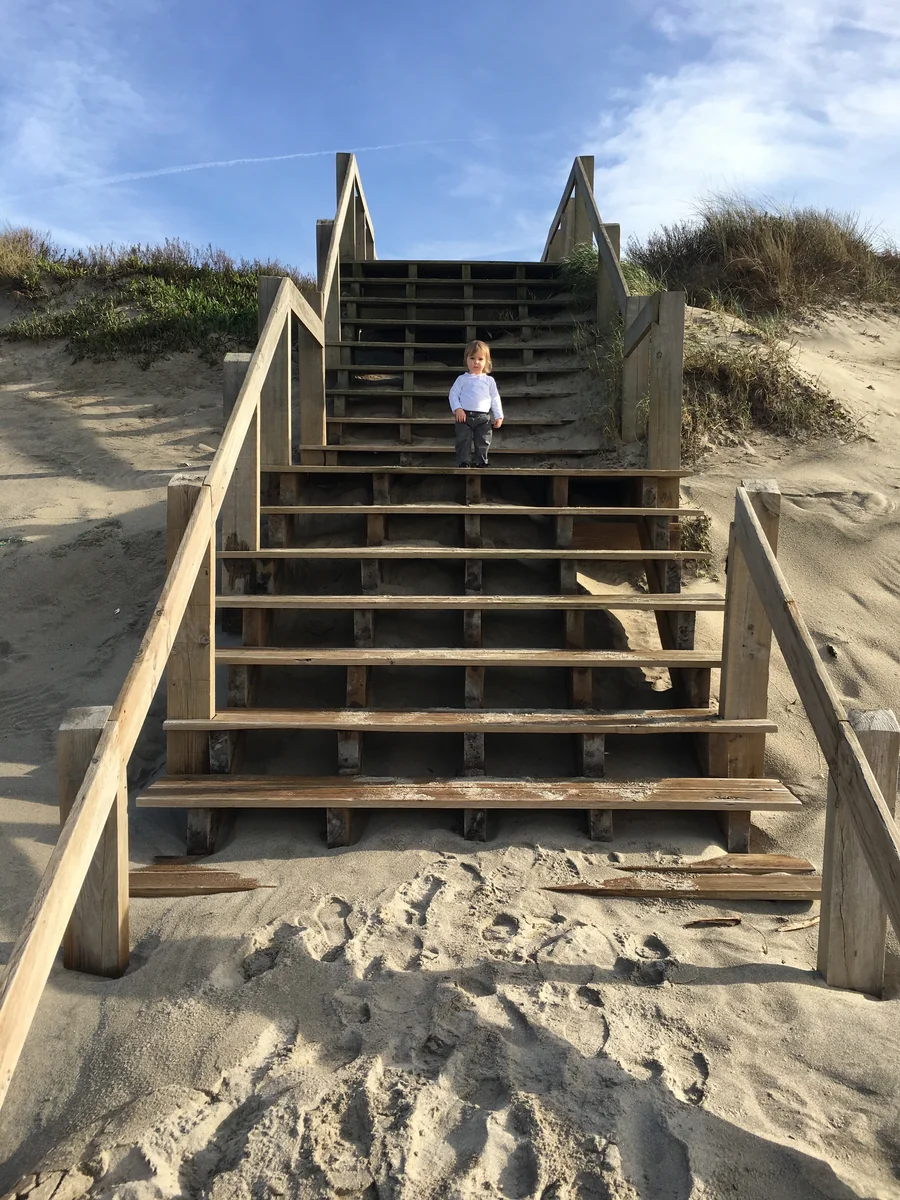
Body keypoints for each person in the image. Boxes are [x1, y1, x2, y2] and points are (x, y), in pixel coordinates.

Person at [448, 340, 503, 467]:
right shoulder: (462, 379)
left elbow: (495, 398)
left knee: (484, 440)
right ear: (466, 360)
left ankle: (481, 461)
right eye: (472, 358)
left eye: (480, 359)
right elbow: (453, 394)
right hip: (464, 416)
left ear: (486, 361)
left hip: (483, 417)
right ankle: (463, 461)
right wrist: (458, 409)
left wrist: (498, 415)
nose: (476, 362)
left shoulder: (489, 380)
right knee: (463, 440)